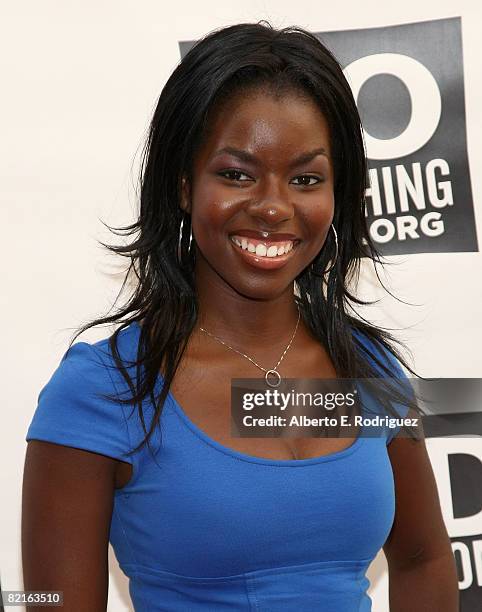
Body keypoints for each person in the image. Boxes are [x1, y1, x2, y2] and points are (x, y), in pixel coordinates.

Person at [22, 21, 459, 612]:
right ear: (183, 185)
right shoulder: (107, 389)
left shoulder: (365, 371)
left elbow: (425, 559)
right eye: (236, 174)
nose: (274, 207)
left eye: (305, 179)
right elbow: (48, 601)